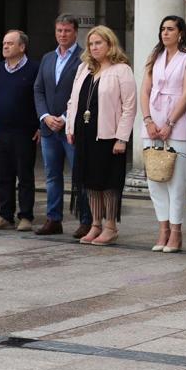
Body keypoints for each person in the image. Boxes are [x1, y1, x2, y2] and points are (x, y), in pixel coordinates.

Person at [65, 25, 136, 247]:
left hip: (108, 136)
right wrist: (70, 128)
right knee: (90, 182)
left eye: (98, 43)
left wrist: (122, 138)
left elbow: (129, 106)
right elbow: (72, 101)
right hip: (85, 133)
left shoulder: (121, 70)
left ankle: (110, 227)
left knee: (108, 183)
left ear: (109, 44)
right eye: (91, 44)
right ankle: (95, 224)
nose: (94, 48)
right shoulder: (84, 68)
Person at [139, 15, 186, 253]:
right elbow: (145, 91)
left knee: (177, 181)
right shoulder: (154, 57)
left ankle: (176, 231)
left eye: (170, 29)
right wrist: (148, 120)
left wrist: (170, 123)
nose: (165, 33)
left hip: (178, 121)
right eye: (162, 29)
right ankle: (162, 229)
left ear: (180, 33)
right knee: (155, 180)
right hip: (152, 121)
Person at [33, 15, 91, 238]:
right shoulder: (48, 58)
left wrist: (66, 118)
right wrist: (45, 116)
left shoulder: (84, 58)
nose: (62, 35)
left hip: (72, 129)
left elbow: (86, 93)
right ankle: (53, 219)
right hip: (48, 128)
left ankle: (86, 220)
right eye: (59, 30)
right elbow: (38, 90)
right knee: (52, 176)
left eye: (67, 31)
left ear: (76, 32)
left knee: (80, 176)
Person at [0, 30, 41, 232]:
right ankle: (4, 215)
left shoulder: (34, 68)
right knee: (2, 174)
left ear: (22, 47)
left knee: (24, 174)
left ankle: (26, 216)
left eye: (10, 43)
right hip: (1, 129)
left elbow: (39, 97)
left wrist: (39, 125)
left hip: (24, 130)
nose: (5, 46)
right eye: (4, 43)